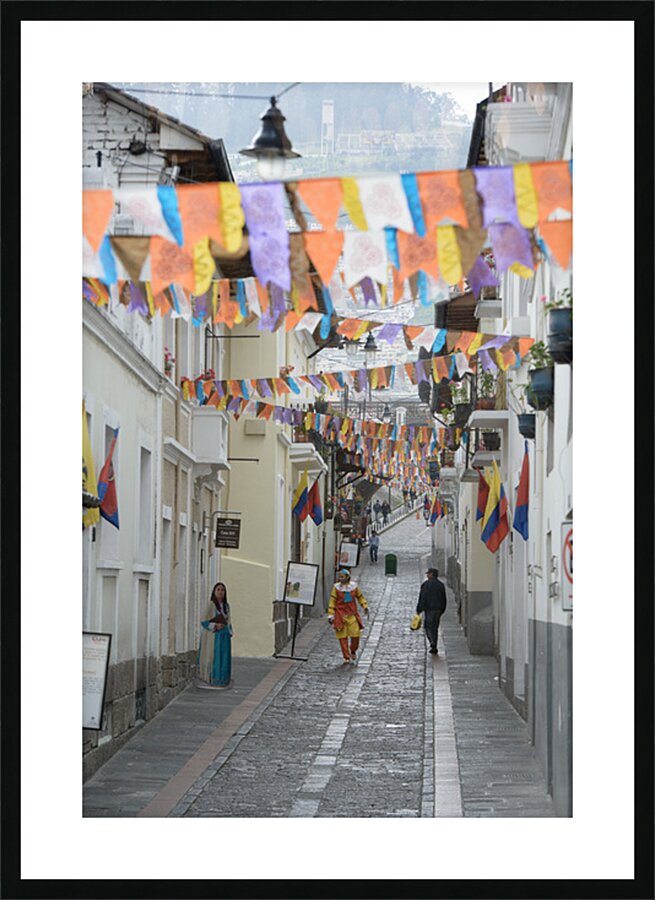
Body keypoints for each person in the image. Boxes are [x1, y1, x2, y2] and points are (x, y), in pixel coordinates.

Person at [328, 568, 369, 664]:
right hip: (340, 615)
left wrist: (365, 606)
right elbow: (332, 601)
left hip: (352, 614)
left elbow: (360, 597)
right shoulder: (336, 588)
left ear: (347, 577)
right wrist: (331, 614)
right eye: (339, 577)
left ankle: (353, 649)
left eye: (342, 577)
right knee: (342, 637)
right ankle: (346, 656)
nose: (340, 578)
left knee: (355, 635)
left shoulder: (354, 587)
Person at [197, 582, 232, 687]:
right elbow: (203, 621)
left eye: (222, 590)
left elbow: (229, 620)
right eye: (218, 589)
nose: (220, 592)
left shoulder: (226, 606)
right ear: (214, 591)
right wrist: (215, 625)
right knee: (215, 657)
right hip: (214, 636)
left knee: (224, 657)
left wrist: (229, 631)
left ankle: (224, 679)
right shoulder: (210, 605)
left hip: (224, 636)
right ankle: (213, 678)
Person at [416, 567, 447, 655]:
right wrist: (442, 609)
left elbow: (422, 598)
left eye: (428, 573)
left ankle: (432, 643)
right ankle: (434, 644)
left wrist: (419, 609)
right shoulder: (441, 585)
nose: (427, 575)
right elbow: (444, 598)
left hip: (429, 609)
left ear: (432, 574)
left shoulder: (426, 585)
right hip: (438, 609)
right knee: (435, 627)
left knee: (428, 627)